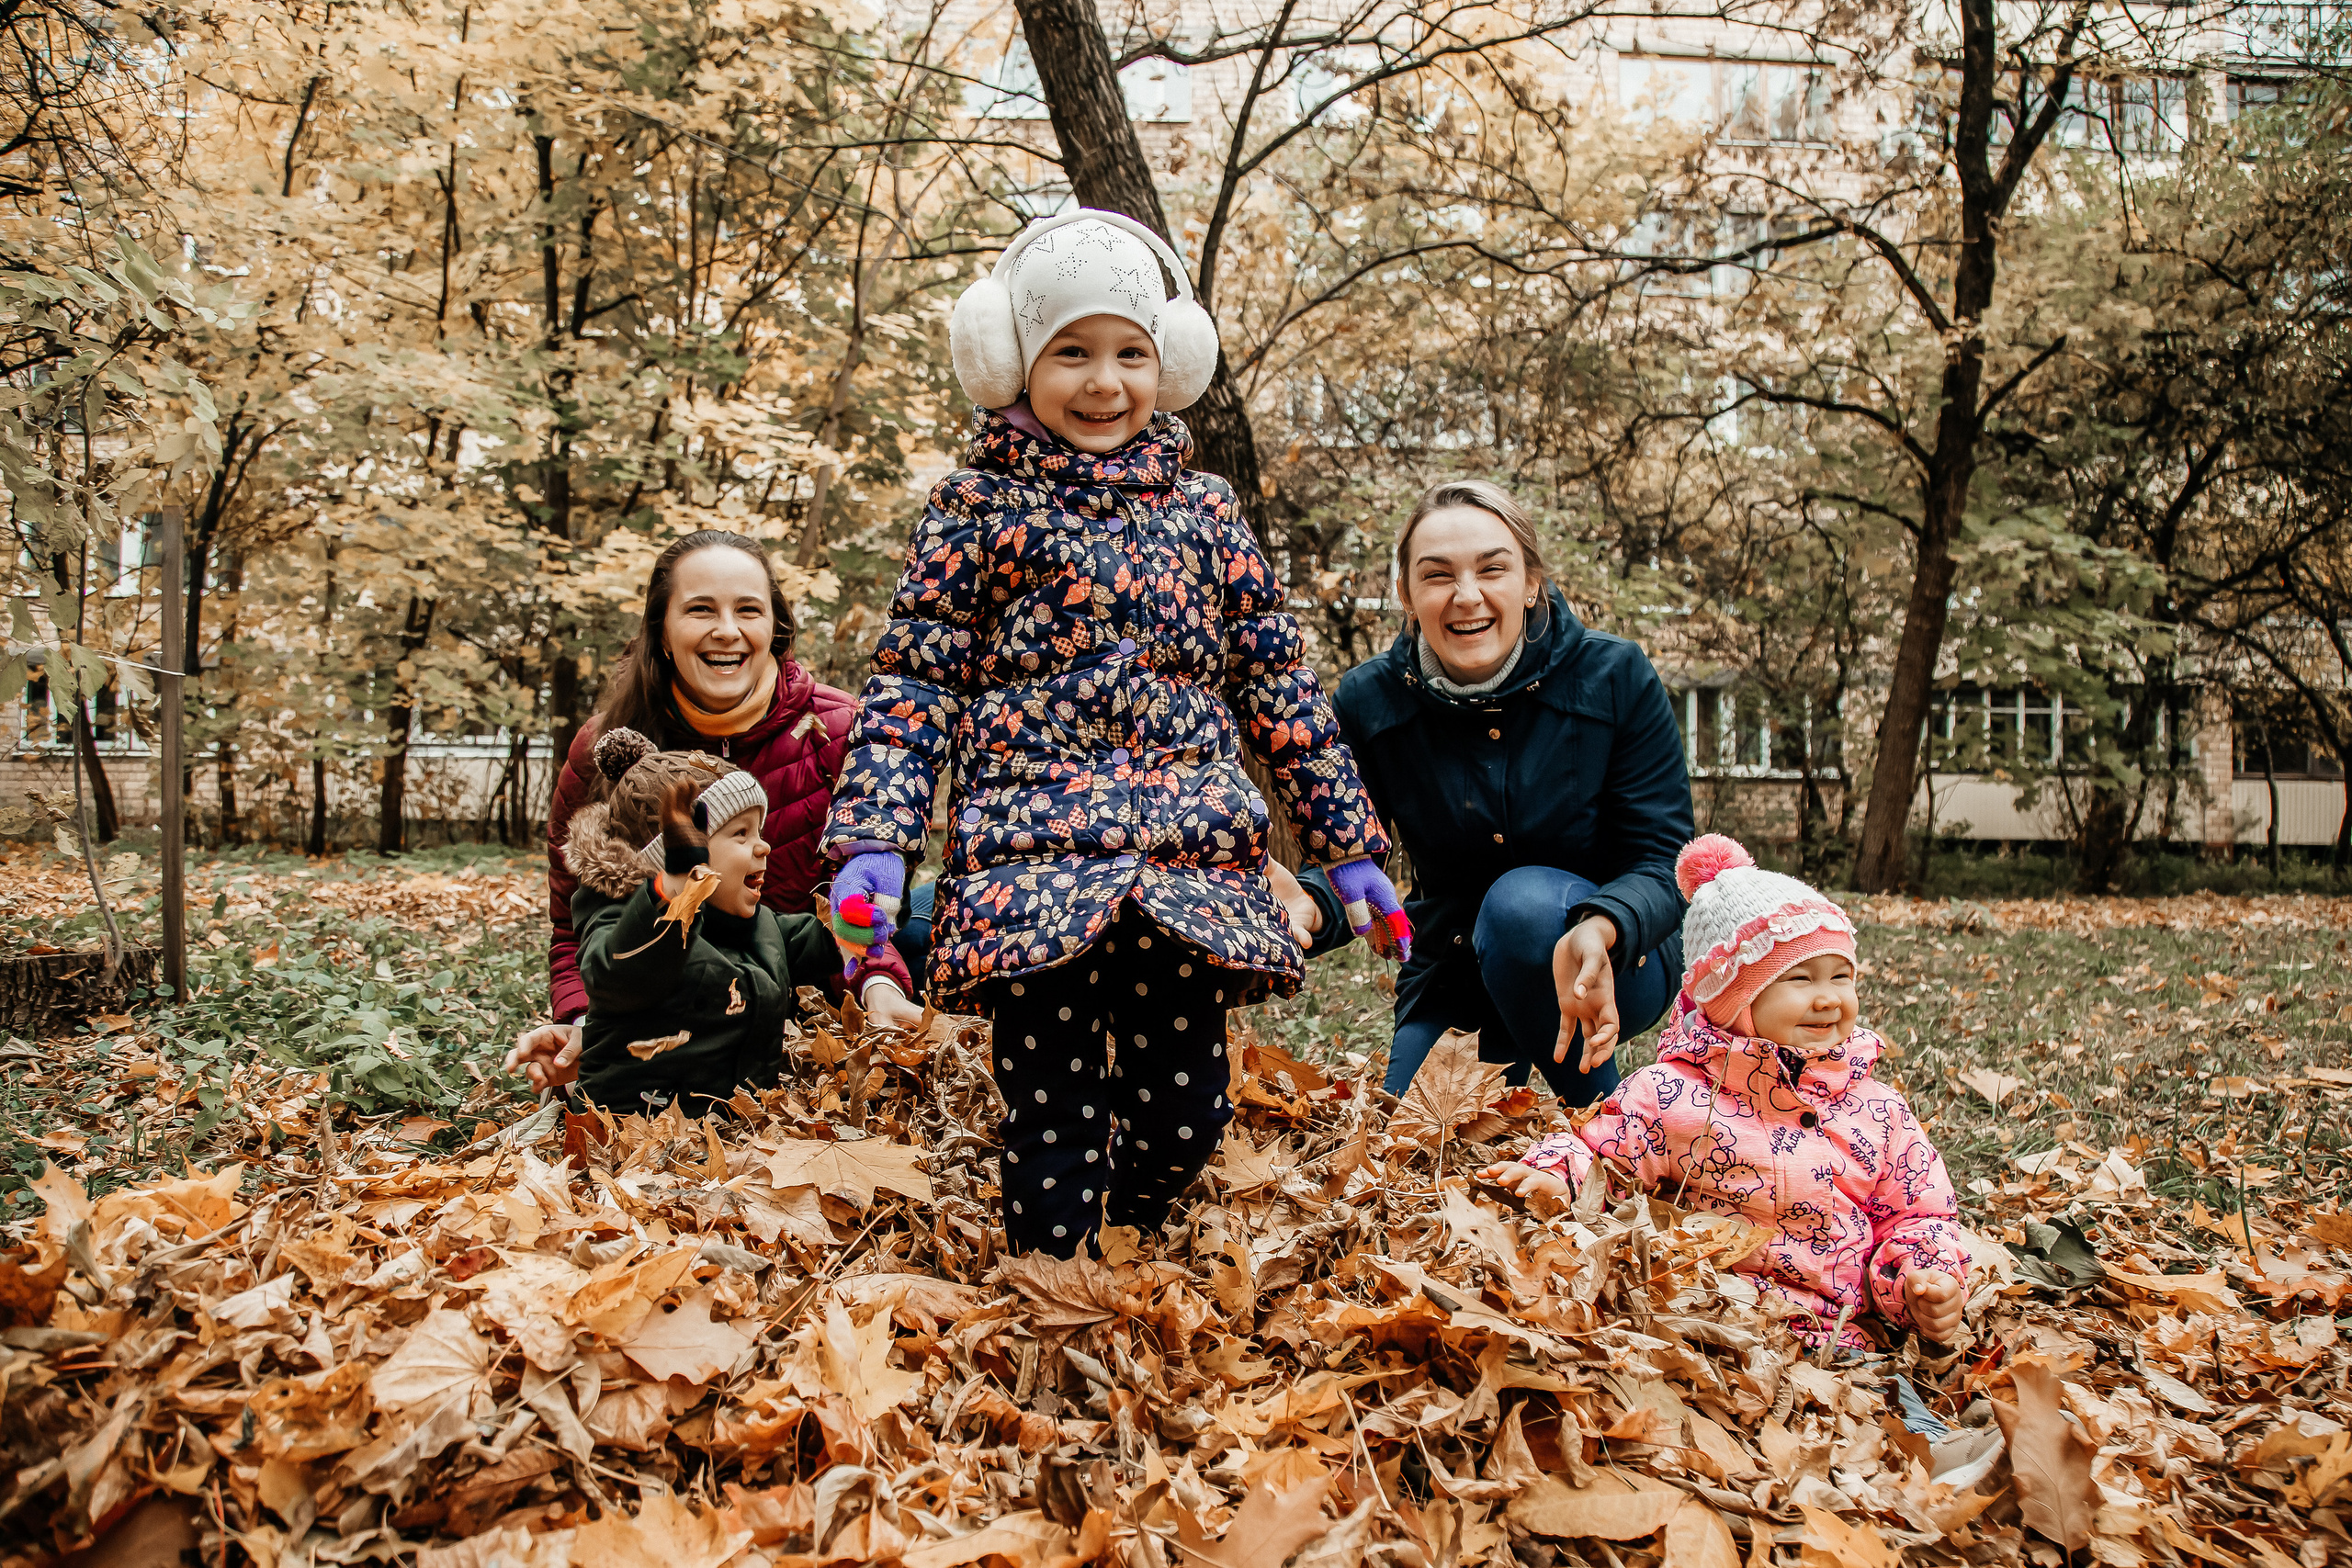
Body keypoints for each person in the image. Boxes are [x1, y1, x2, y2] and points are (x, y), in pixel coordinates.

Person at [821, 208, 1406, 1258]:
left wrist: (1348, 847)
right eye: (1071, 353)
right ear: (1013, 360)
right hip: (1030, 862)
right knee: (1052, 1113)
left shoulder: (1207, 512)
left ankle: (1131, 1224)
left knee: (1186, 1117)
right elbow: (917, 681)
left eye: (1131, 353)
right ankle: (1056, 1292)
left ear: (1170, 361)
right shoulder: (975, 506)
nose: (1105, 382)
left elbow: (1277, 683)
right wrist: (876, 836)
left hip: (1186, 864)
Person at [1483, 835, 1969, 1349]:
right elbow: (1603, 1153)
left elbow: (1917, 1213)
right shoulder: (1673, 1095)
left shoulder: (1879, 1111)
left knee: (1912, 1424)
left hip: (1843, 1342)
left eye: (1841, 976)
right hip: (1709, 1327)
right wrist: (1558, 1176)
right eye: (1799, 978)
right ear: (1733, 1002)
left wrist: (1923, 1281)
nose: (1828, 998)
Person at [1304, 479, 1696, 1104]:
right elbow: (1351, 860)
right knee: (1418, 1129)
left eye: (1493, 569)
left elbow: (1664, 859)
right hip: (1454, 965)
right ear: (1406, 594)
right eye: (1437, 576)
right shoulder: (1369, 700)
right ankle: (1508, 1049)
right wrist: (1305, 905)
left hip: (1614, 952)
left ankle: (1605, 1123)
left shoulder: (1615, 676)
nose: (1467, 596)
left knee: (1521, 907)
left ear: (1531, 581)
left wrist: (1603, 924)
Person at [507, 530, 920, 1093]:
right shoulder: (603, 750)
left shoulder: (843, 732)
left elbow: (854, 904)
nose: (727, 630)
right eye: (700, 610)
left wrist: (878, 986)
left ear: (775, 626)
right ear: (662, 632)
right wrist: (587, 1024)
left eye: (748, 609)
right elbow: (572, 929)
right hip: (679, 1008)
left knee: (926, 910)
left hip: (803, 988)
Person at [560, 730, 885, 1111]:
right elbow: (620, 972)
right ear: (671, 857)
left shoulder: (760, 927)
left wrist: (869, 897)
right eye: (741, 834)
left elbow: (824, 941)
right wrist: (677, 891)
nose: (763, 846)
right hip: (635, 1131)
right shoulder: (626, 925)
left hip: (732, 1127)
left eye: (759, 831)